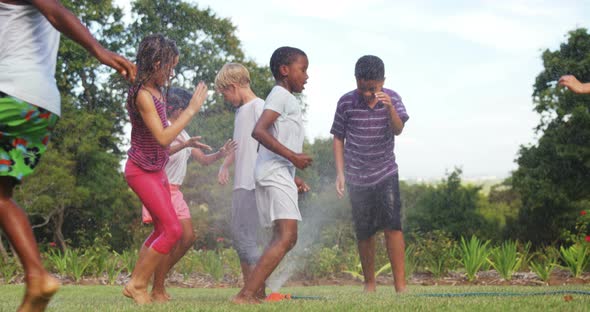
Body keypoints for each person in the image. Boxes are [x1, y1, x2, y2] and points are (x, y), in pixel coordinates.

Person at [0, 1, 135, 311]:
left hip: (10, 93)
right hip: (40, 104)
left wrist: (99, 51)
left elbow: (55, 11)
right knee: (2, 196)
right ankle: (37, 278)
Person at [122, 34, 208, 305]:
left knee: (163, 230)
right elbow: (162, 137)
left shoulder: (157, 91)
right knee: (172, 229)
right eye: (170, 67)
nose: (172, 73)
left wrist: (186, 143)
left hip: (156, 169)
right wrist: (191, 109)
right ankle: (137, 285)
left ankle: (136, 284)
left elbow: (162, 145)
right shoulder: (144, 95)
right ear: (157, 63)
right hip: (140, 170)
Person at [140, 87, 237, 302]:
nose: (186, 113)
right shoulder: (162, 128)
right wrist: (185, 144)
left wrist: (221, 153)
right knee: (170, 236)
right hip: (160, 189)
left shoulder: (182, 132)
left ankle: (156, 281)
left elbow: (202, 159)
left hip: (176, 191)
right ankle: (156, 288)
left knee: (188, 237)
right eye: (184, 109)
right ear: (176, 109)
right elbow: (158, 153)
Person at [232, 47, 312, 304]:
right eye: (303, 69)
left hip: (277, 173)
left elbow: (270, 137)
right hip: (274, 173)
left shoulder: (285, 98)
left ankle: (254, 293)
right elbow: (260, 131)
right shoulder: (280, 95)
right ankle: (246, 294)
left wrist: (293, 175)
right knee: (287, 236)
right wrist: (294, 158)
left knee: (282, 235)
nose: (307, 76)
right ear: (285, 70)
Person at [330, 55, 409, 293]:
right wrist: (340, 174)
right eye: (362, 88)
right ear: (356, 81)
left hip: (385, 172)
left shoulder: (392, 98)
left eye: (372, 89)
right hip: (356, 176)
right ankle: (369, 284)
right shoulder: (346, 102)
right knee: (364, 230)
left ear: (382, 82)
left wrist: (389, 109)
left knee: (393, 226)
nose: (367, 94)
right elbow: (338, 137)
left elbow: (398, 129)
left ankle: (400, 286)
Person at [215, 63, 266, 298]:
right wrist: (225, 165)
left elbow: (270, 143)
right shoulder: (241, 112)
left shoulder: (259, 107)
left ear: (234, 87)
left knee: (245, 236)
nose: (226, 98)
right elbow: (239, 145)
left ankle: (256, 290)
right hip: (240, 184)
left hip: (253, 183)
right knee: (241, 236)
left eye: (225, 93)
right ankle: (250, 288)